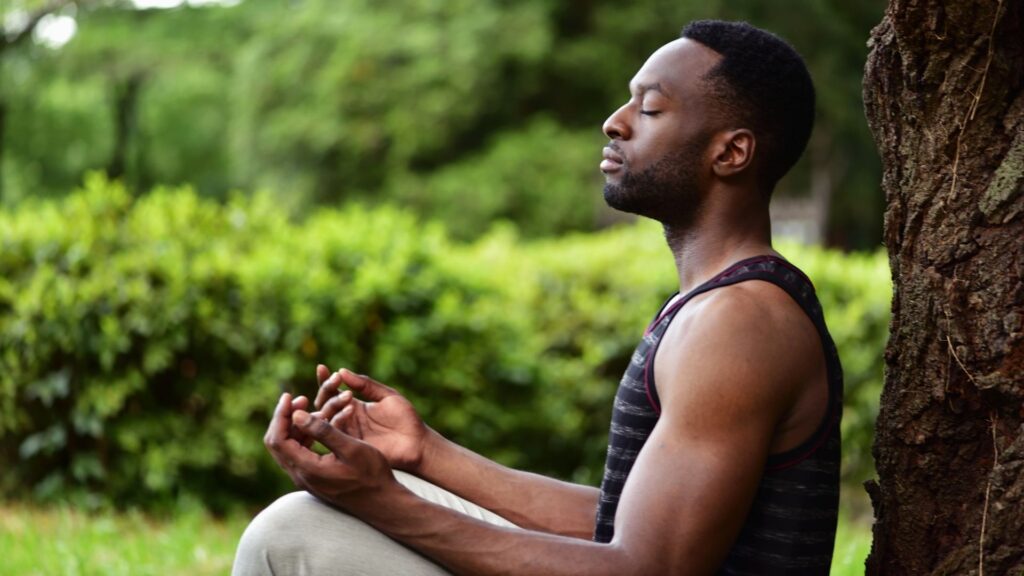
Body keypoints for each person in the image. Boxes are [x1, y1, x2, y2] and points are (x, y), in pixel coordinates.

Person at [233, 19, 843, 576]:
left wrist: (382, 501)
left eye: (650, 108)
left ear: (730, 152)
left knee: (293, 534)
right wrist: (424, 454)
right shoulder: (719, 304)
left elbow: (647, 568)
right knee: (321, 517)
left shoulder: (740, 323)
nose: (616, 121)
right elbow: (620, 524)